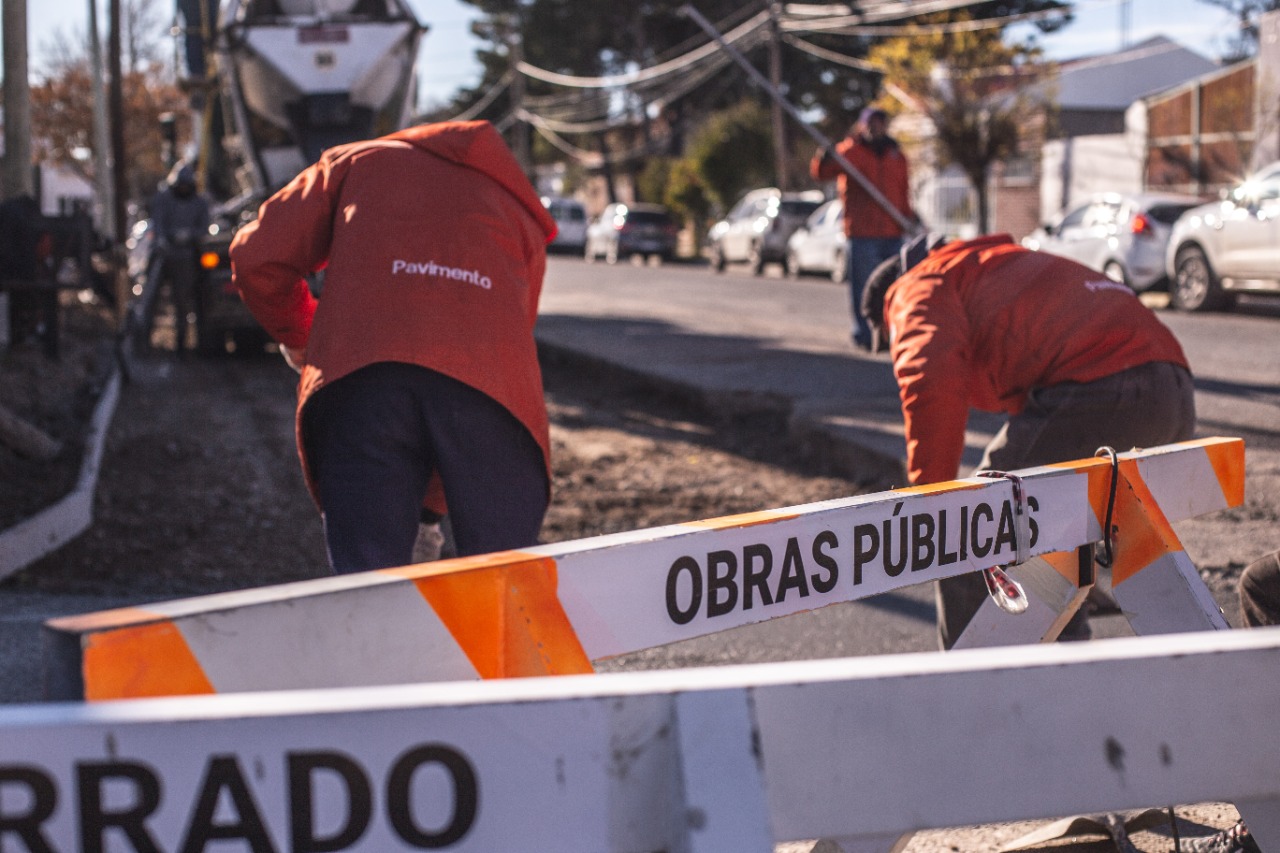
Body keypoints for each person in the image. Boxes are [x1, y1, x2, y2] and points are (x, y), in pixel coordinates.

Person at [230, 120, 558, 574]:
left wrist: (301, 335)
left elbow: (256, 257)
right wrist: (428, 510)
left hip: (363, 388)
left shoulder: (354, 164)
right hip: (496, 401)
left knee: (369, 591)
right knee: (509, 587)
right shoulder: (520, 213)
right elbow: (492, 358)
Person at [860, 232, 1196, 649]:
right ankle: (1064, 665)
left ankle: (972, 690)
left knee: (970, 532)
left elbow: (931, 382)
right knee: (1042, 524)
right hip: (1172, 390)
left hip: (1105, 387)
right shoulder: (989, 264)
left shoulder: (919, 284)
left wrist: (931, 498)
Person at [809, 106, 917, 351]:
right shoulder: (850, 152)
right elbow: (822, 173)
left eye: (880, 123)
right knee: (865, 289)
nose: (875, 127)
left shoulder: (896, 155)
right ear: (862, 125)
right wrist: (823, 156)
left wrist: (907, 217)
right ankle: (866, 335)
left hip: (892, 231)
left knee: (894, 289)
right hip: (863, 234)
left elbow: (903, 190)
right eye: (871, 123)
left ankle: (890, 334)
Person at [147, 163, 211, 353]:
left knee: (182, 301)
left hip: (186, 257)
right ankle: (144, 341)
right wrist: (162, 239)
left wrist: (189, 235)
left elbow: (203, 228)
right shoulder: (163, 199)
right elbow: (157, 222)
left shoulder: (199, 202)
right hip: (162, 255)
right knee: (149, 297)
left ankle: (182, 344)